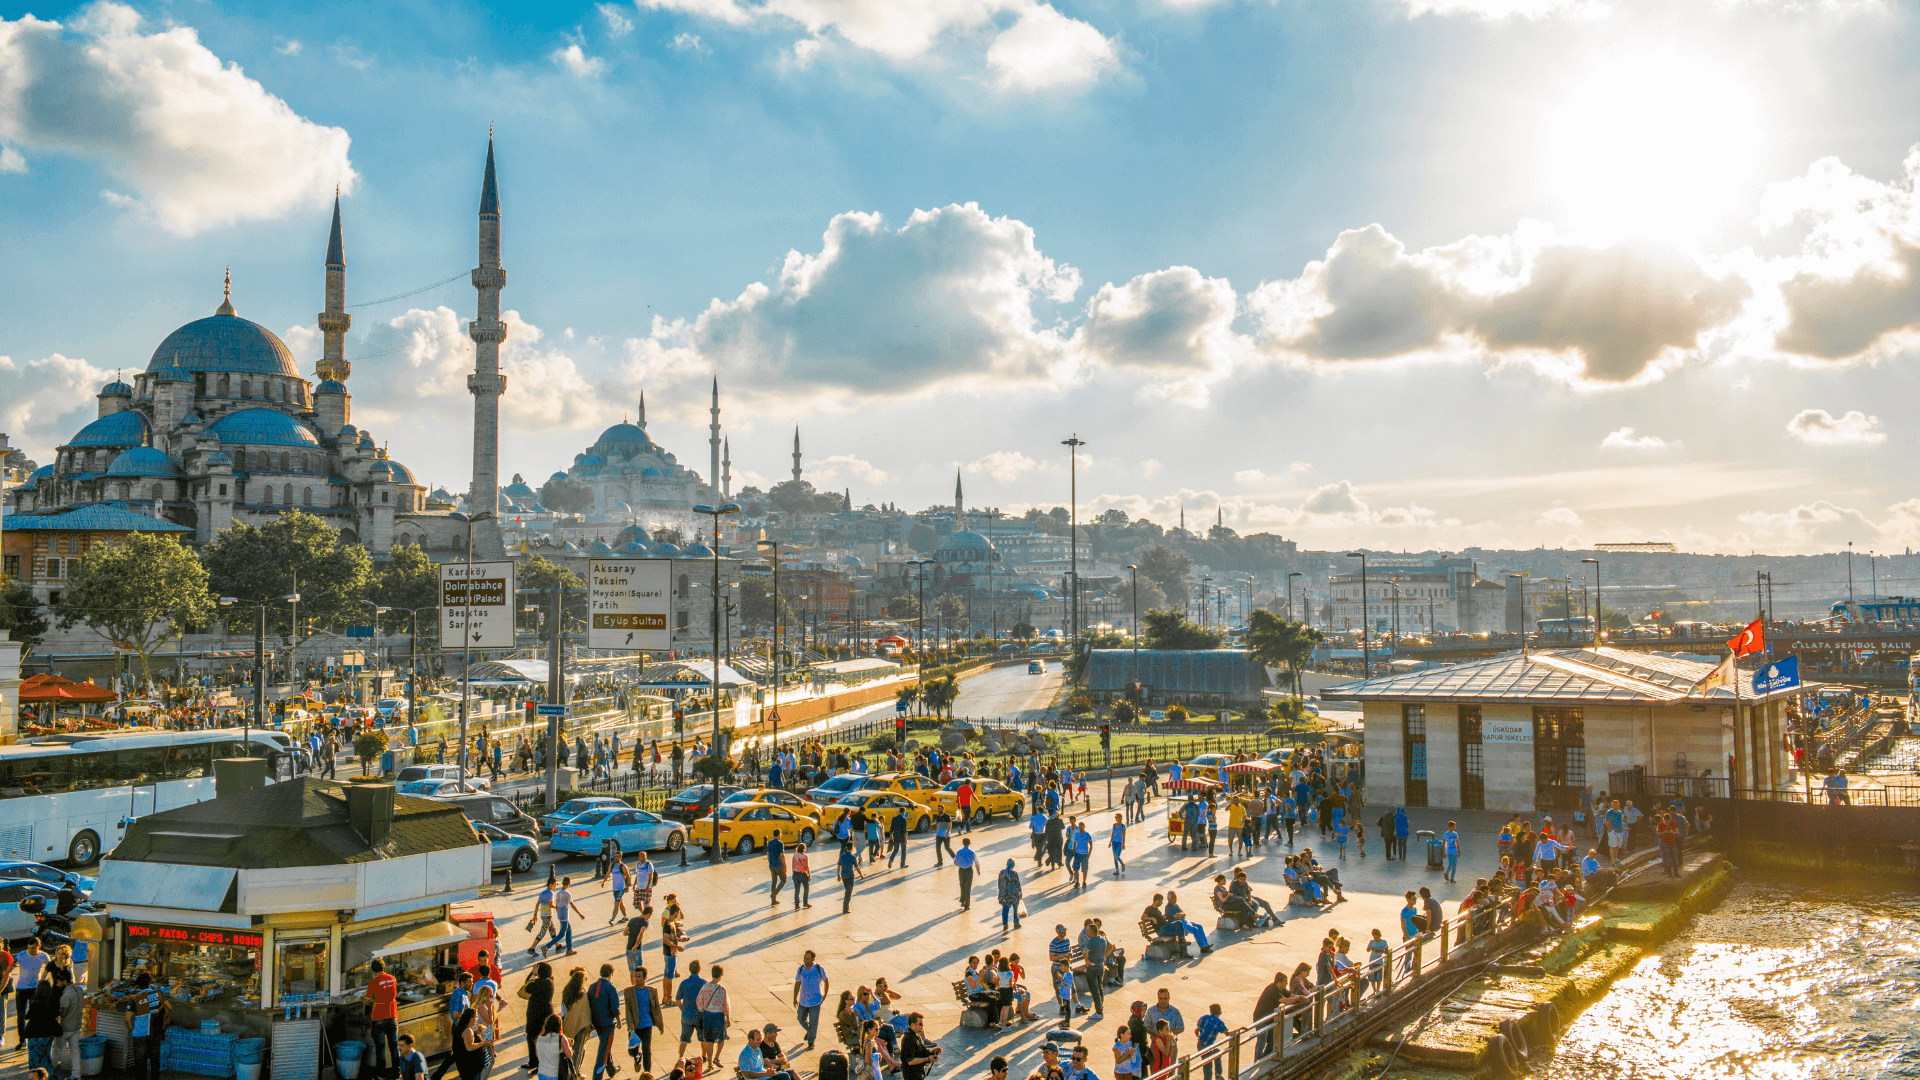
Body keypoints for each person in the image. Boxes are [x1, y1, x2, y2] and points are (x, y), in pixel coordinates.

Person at [116, 971, 169, 1080]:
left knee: (140, 1066)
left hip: (139, 1035)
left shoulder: (135, 999)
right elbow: (169, 1007)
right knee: (155, 1063)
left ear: (138, 985)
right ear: (149, 982)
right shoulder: (158, 994)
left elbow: (127, 1020)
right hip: (155, 1033)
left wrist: (132, 1030)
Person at [624, 968, 664, 1072]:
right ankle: (637, 1057)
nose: (636, 979)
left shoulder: (652, 991)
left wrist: (660, 1024)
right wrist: (630, 1025)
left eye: (639, 977)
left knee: (647, 1050)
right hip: (635, 1026)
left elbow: (656, 1009)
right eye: (635, 976)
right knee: (632, 1050)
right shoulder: (629, 992)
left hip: (647, 1024)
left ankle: (647, 1073)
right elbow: (628, 1011)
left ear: (645, 978)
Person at [588, 964, 623, 1080]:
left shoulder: (592, 986)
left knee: (605, 1045)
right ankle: (597, 1077)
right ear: (611, 974)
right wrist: (618, 1021)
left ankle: (611, 1069)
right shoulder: (610, 987)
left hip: (597, 1023)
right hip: (607, 1023)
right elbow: (614, 1007)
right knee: (603, 1051)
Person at [368, 958, 401, 1077]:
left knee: (380, 1048)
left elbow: (368, 999)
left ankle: (381, 1074)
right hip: (392, 1015)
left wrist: (363, 999)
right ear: (384, 968)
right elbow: (392, 994)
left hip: (378, 1018)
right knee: (394, 1046)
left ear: (373, 970)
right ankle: (397, 1072)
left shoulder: (373, 982)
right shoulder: (392, 979)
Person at [695, 964, 730, 1067]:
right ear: (720, 975)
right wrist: (727, 1018)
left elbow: (699, 1000)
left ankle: (710, 1064)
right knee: (721, 1038)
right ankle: (717, 1057)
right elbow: (725, 1005)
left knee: (709, 1040)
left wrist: (702, 1009)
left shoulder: (705, 987)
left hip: (707, 1015)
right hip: (718, 1016)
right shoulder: (722, 989)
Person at [792, 952, 828, 1051]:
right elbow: (797, 983)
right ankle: (810, 1031)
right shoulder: (800, 969)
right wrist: (795, 997)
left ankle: (811, 1042)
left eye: (807, 959)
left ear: (813, 959)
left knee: (813, 1022)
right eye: (804, 958)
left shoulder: (819, 969)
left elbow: (826, 981)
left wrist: (824, 994)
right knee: (800, 1018)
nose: (805, 960)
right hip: (803, 1000)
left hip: (815, 1000)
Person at [673, 960, 707, 1065]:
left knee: (684, 1039)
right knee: (703, 1038)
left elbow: (677, 1000)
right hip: (700, 1015)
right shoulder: (704, 983)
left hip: (687, 1015)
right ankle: (704, 1056)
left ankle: (681, 1058)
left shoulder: (684, 983)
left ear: (689, 970)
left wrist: (683, 1009)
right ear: (699, 969)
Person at [897, 1013, 940, 1080]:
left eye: (922, 1024)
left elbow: (923, 1050)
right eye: (920, 1024)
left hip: (919, 1074)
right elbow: (910, 1061)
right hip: (912, 1076)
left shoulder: (917, 1036)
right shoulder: (908, 1039)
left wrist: (933, 1052)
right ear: (912, 1025)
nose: (922, 1026)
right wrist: (928, 1059)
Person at [1195, 1004, 1227, 1080]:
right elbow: (1228, 1033)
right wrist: (1240, 1030)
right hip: (1208, 1047)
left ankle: (1217, 1075)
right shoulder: (1218, 1022)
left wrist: (1200, 1037)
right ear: (1220, 1012)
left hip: (1200, 1045)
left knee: (1216, 1053)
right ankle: (1218, 1075)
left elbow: (1196, 1031)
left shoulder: (1203, 1018)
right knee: (1208, 1068)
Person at [534, 1014, 570, 1080]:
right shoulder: (561, 1038)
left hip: (542, 1073)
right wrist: (570, 1045)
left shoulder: (540, 1038)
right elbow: (569, 1054)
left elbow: (537, 1054)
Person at [837, 841, 864, 914]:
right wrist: (861, 875)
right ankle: (845, 908)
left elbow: (839, 866)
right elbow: (857, 867)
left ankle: (847, 906)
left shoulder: (842, 855)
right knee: (848, 892)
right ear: (852, 848)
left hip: (843, 876)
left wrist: (838, 875)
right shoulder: (853, 857)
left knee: (847, 890)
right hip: (850, 876)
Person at [998, 859, 1024, 931]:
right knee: (1015, 909)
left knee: (1005, 910)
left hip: (1004, 895)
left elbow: (999, 884)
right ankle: (1016, 923)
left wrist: (1002, 891)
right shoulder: (1014, 874)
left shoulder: (1002, 872)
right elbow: (1017, 884)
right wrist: (1020, 892)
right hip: (1013, 895)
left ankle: (1005, 924)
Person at [954, 838, 979, 909]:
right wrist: (978, 870)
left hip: (961, 870)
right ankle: (967, 905)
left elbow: (955, 862)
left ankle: (962, 900)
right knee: (968, 887)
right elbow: (976, 862)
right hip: (969, 870)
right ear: (969, 843)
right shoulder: (972, 852)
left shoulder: (959, 852)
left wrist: (960, 865)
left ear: (963, 843)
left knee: (962, 885)